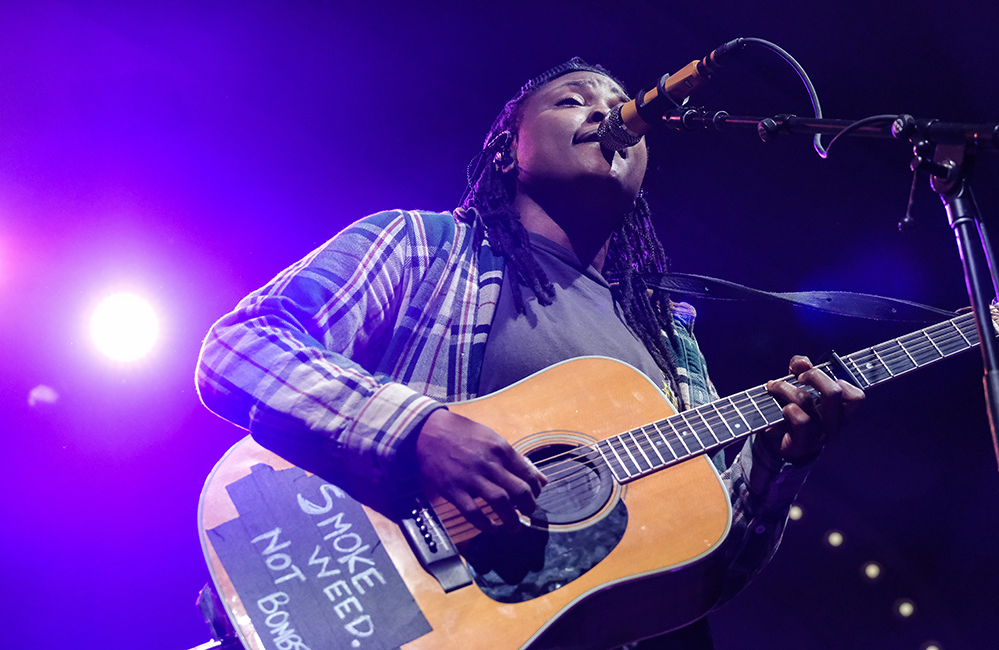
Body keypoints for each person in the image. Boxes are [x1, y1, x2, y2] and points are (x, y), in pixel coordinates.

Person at [196, 58, 864, 649]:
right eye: (573, 99)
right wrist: (418, 429)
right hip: (368, 593)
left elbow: (702, 574)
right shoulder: (423, 247)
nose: (607, 112)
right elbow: (242, 346)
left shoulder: (671, 342)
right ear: (505, 151)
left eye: (617, 102)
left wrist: (779, 463)